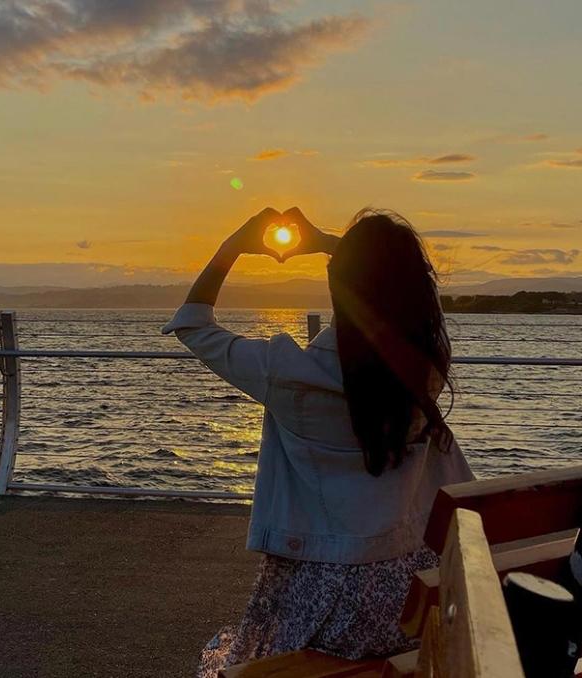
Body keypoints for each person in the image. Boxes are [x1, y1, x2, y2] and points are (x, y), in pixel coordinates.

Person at [162, 207, 474, 677]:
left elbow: (193, 324)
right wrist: (338, 247)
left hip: (332, 606)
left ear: (339, 285)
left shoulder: (286, 372)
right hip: (415, 595)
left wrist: (234, 245)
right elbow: (427, 315)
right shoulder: (426, 368)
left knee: (235, 659)